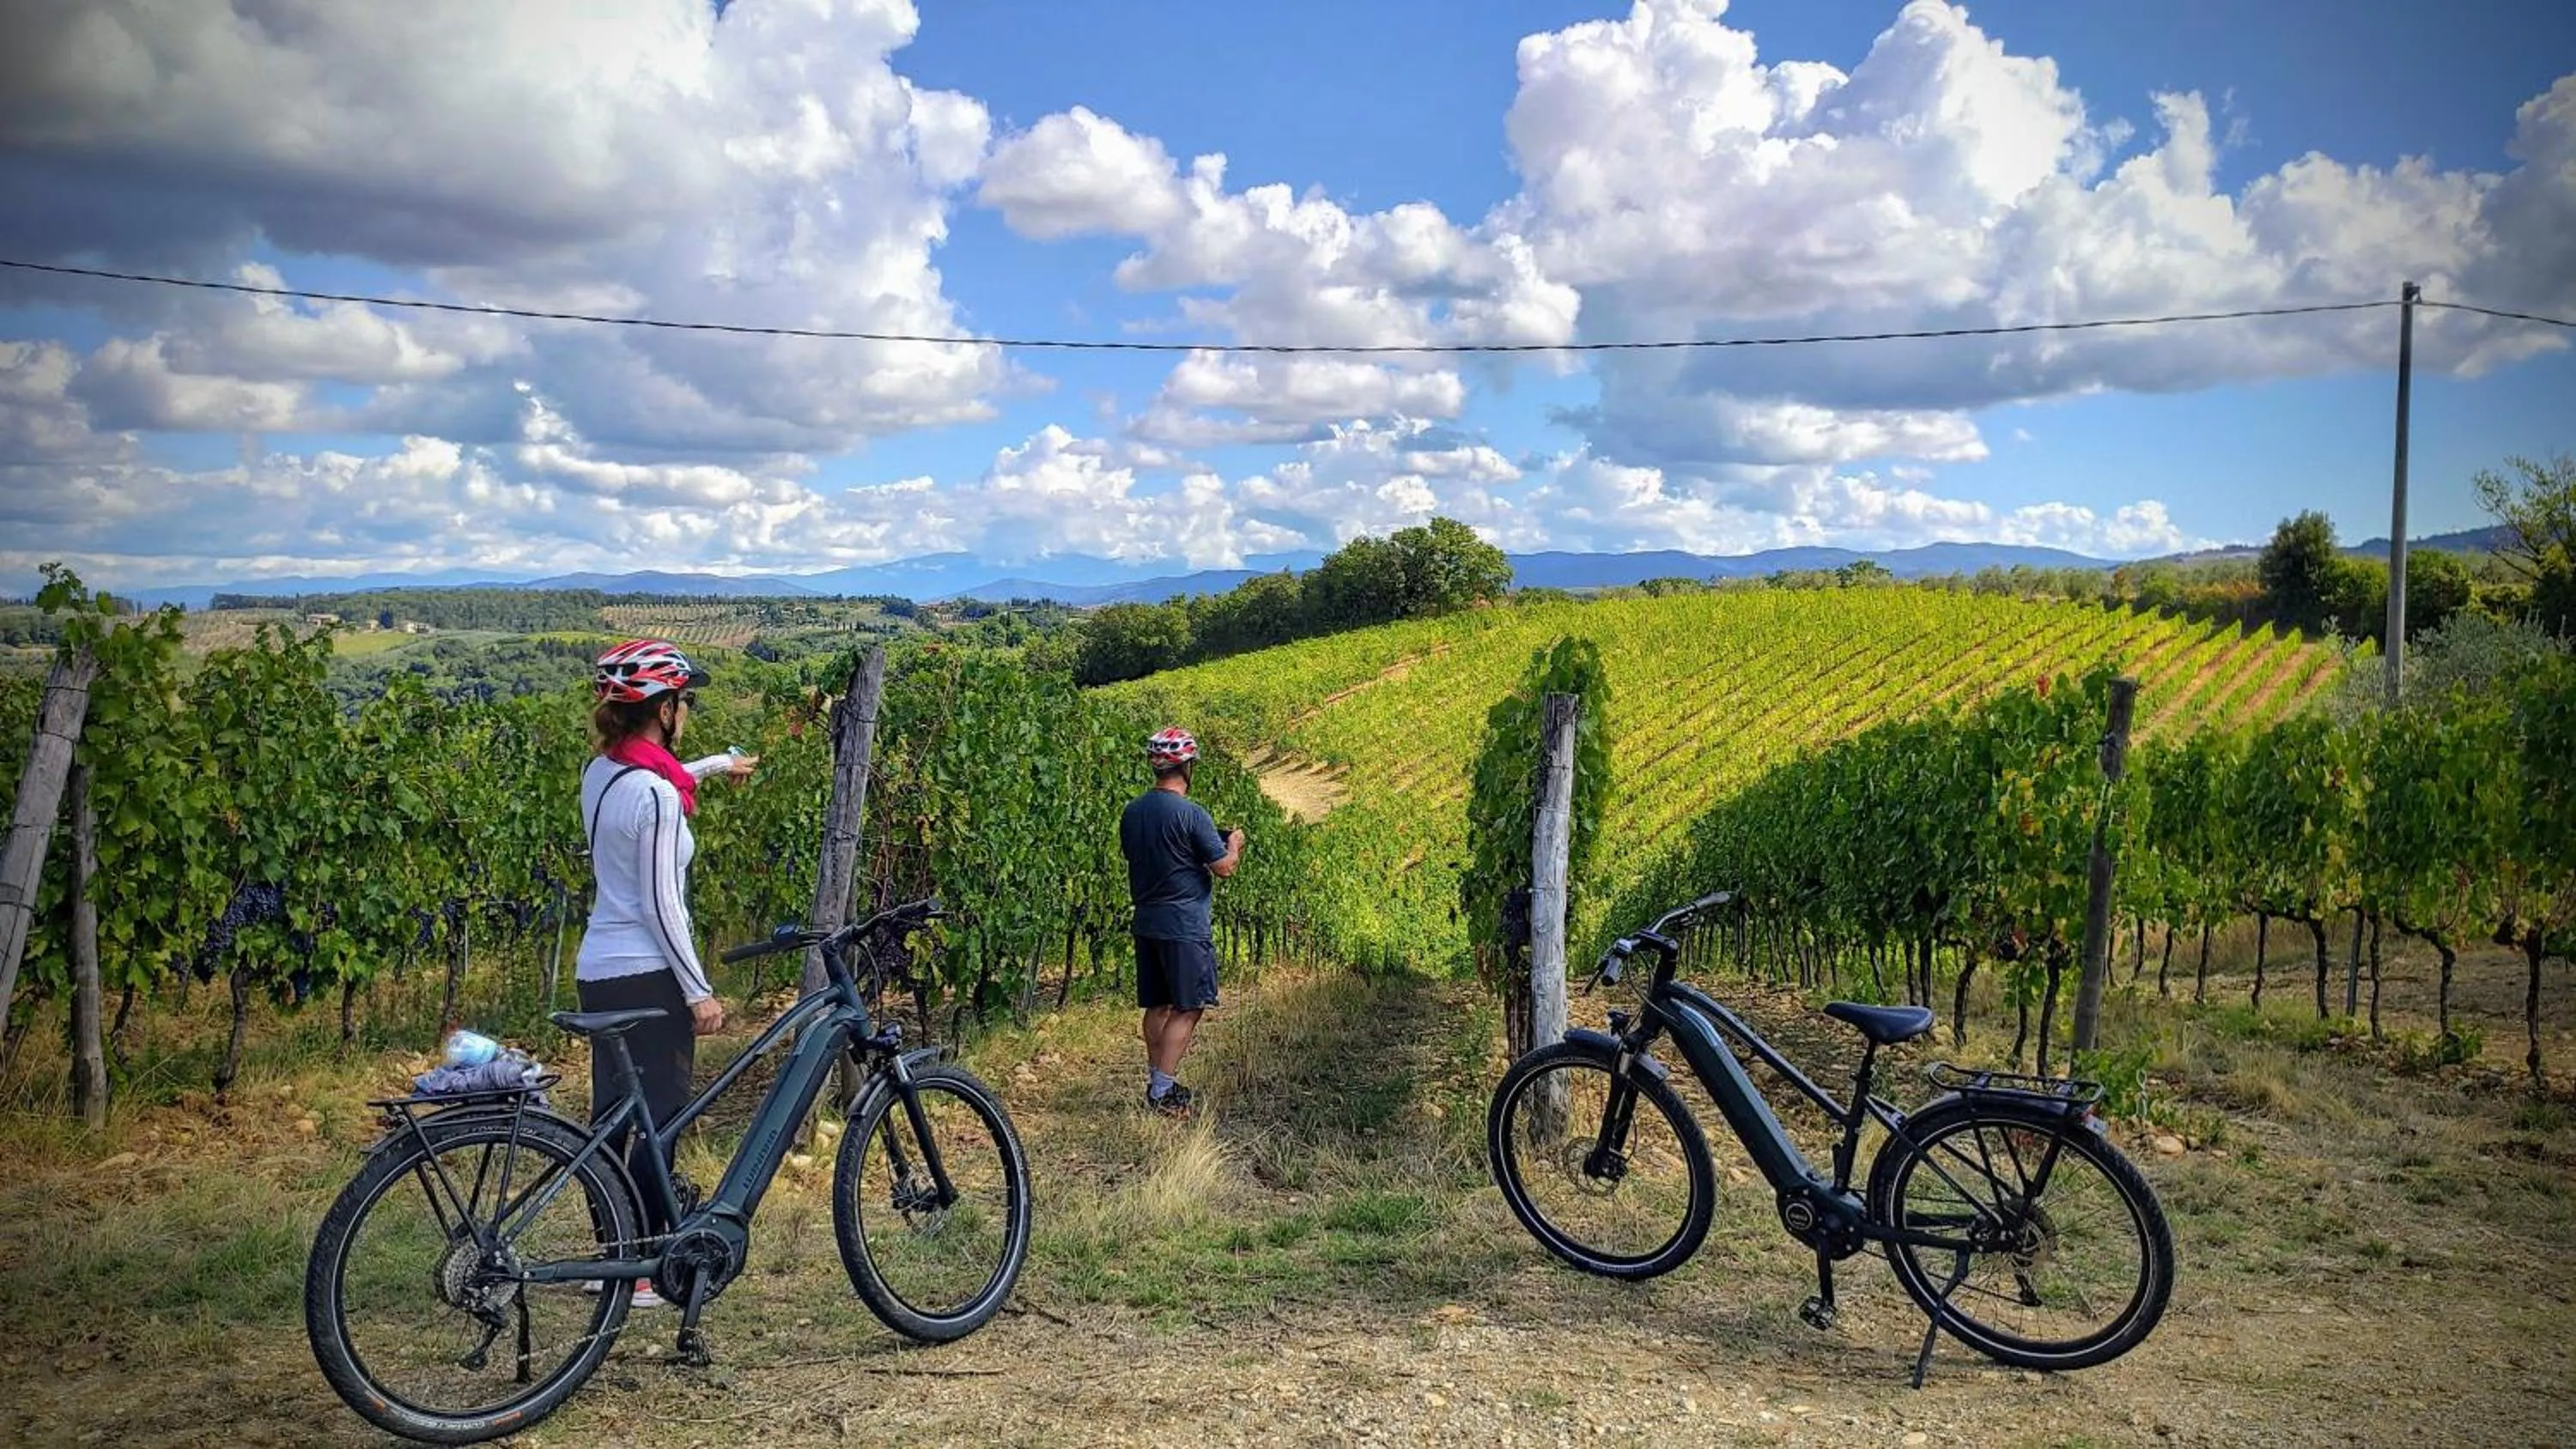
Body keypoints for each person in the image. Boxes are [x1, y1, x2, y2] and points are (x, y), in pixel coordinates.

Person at [576, 639, 757, 1305]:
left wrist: (716, 766)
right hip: (648, 974)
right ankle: (648, 1268)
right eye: (684, 702)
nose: (688, 712)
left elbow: (663, 778)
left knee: (611, 1120)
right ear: (664, 710)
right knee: (660, 1123)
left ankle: (612, 1257)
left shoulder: (604, 773)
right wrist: (698, 990)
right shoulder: (653, 795)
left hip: (599, 969)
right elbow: (662, 904)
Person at [1118, 726, 1243, 1117]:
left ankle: (1158, 1078)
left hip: (1146, 920)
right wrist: (1233, 843)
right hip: (1184, 925)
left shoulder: (1132, 812)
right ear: (1188, 766)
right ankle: (1162, 1090)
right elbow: (1224, 868)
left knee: (1157, 1004)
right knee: (1189, 1006)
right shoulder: (1192, 814)